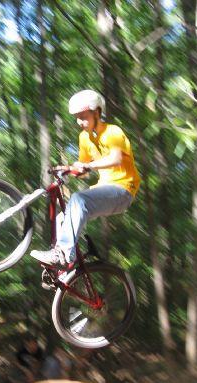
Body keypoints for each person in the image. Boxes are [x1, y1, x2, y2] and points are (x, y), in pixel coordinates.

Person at [30, 89, 140, 265]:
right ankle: (64, 270)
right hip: (104, 189)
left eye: (84, 116)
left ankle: (63, 252)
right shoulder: (84, 138)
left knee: (78, 199)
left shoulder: (112, 132)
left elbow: (115, 158)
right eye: (77, 117)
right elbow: (82, 169)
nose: (79, 121)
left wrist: (87, 165)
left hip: (123, 190)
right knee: (62, 218)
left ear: (97, 112)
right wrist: (67, 169)